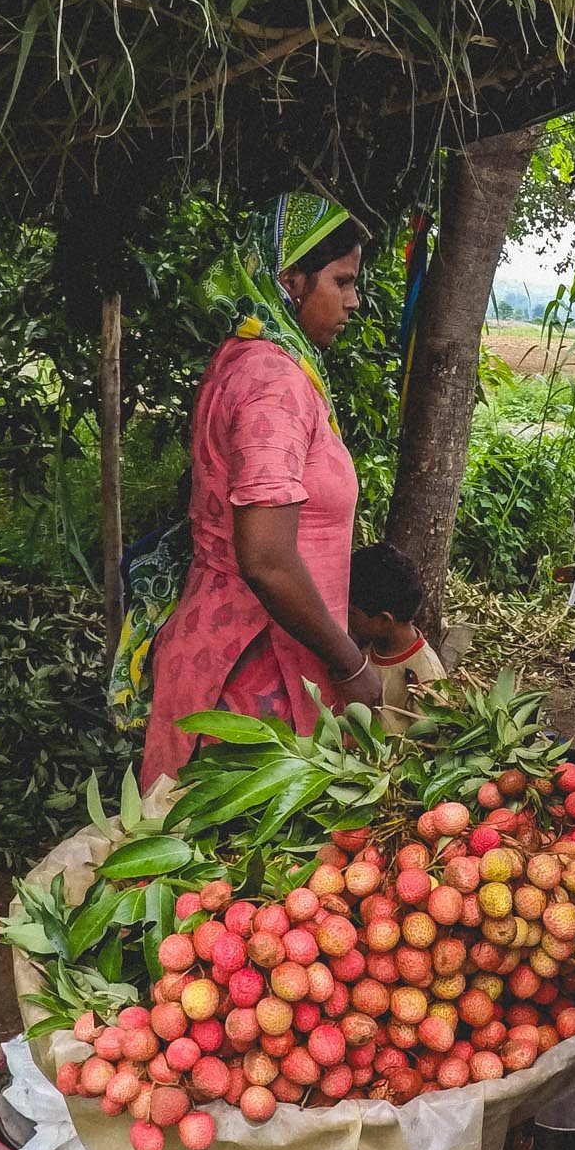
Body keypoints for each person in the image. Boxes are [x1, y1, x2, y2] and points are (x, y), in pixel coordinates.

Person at [127, 194, 380, 789]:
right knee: (236, 868)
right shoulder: (273, 383)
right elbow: (266, 558)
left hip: (234, 643)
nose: (353, 301)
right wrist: (351, 665)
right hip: (252, 666)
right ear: (290, 280)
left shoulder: (249, 360)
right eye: (341, 282)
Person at [347, 541, 447, 725]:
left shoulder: (426, 677)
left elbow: (428, 739)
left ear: (384, 620)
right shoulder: (367, 645)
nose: (347, 618)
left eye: (352, 613)